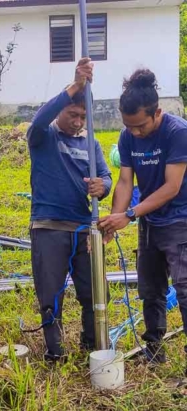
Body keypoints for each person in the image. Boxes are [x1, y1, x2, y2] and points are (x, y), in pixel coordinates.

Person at [99, 69, 187, 366]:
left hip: (179, 220)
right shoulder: (127, 138)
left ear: (157, 113)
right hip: (150, 223)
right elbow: (125, 182)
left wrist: (130, 213)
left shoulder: (178, 133)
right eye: (129, 126)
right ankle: (154, 349)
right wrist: (114, 218)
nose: (135, 132)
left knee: (185, 289)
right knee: (150, 289)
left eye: (140, 126)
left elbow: (171, 187)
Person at [26, 58, 112, 361]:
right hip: (49, 228)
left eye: (82, 116)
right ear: (60, 110)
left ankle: (92, 347)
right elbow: (38, 120)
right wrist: (74, 85)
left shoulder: (92, 145)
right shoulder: (43, 137)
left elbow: (107, 178)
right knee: (50, 296)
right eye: (72, 114)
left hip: (84, 230)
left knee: (94, 293)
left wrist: (103, 186)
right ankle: (55, 353)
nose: (77, 122)